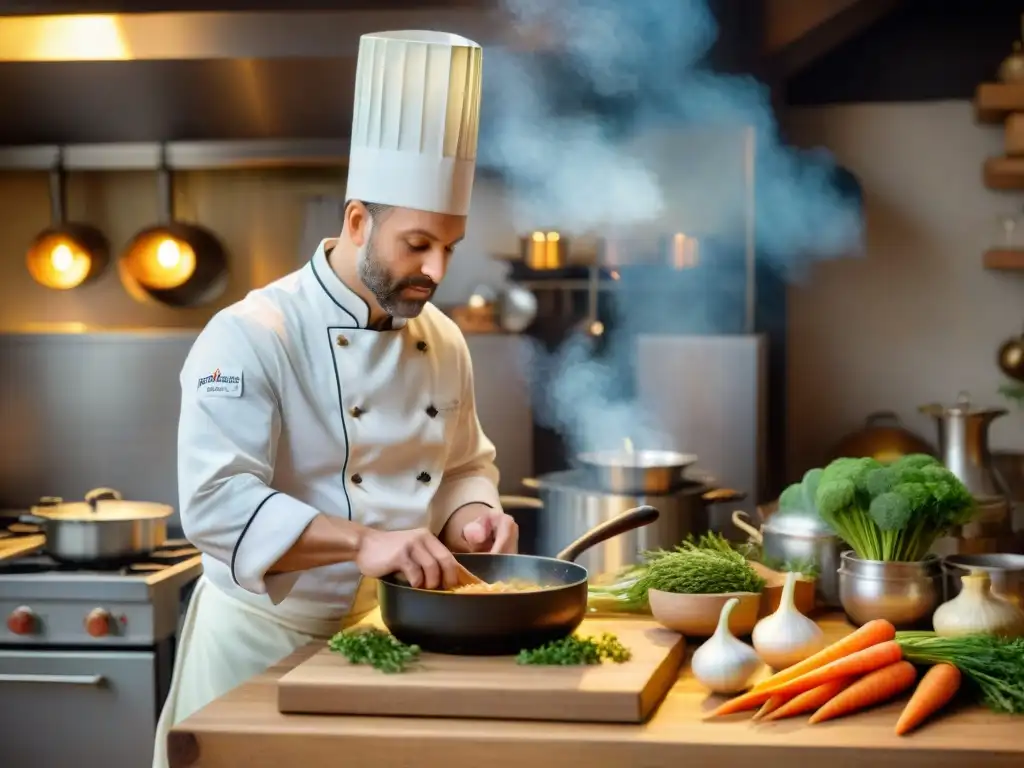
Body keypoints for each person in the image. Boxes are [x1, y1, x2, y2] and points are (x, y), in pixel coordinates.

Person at [152, 30, 515, 767]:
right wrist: (364, 542)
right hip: (255, 647)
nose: (436, 268)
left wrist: (474, 518)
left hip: (375, 640)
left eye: (451, 245)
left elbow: (461, 464)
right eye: (417, 244)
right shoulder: (252, 333)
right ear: (357, 222)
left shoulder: (440, 337)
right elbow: (216, 503)